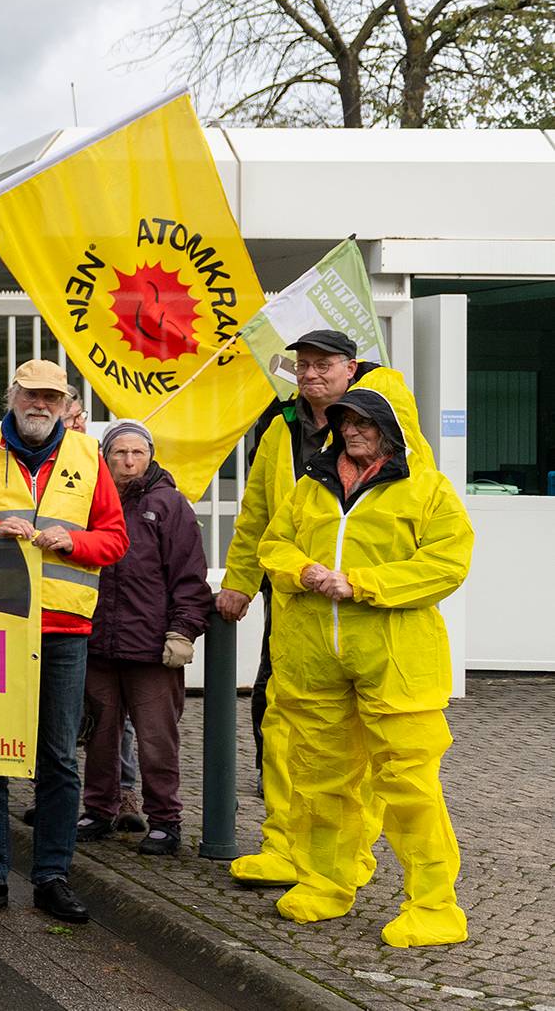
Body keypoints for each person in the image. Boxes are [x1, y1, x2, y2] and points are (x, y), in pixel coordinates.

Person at [256, 387, 470, 948]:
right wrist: (301, 570)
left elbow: (447, 563)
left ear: (390, 428)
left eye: (365, 423)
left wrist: (364, 584)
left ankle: (435, 904)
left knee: (408, 784)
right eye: (345, 422)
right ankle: (327, 881)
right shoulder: (311, 485)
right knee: (321, 780)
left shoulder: (426, 489)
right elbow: (272, 543)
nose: (352, 431)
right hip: (315, 661)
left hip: (397, 662)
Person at [0, 359, 127, 925]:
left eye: (52, 397)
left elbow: (115, 540)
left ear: (67, 405)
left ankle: (52, 877)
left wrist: (75, 542)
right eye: (31, 394)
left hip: (64, 628)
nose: (40, 404)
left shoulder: (90, 456)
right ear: (11, 396)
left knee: (59, 758)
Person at [219, 329, 415, 888]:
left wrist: (372, 583)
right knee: (284, 725)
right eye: (302, 364)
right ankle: (286, 844)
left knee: (369, 739)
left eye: (323, 364)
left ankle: (349, 852)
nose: (310, 374)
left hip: (369, 607)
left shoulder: (389, 418)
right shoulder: (280, 424)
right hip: (297, 602)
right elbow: (257, 509)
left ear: (351, 368)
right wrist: (239, 580)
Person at [79, 421, 209, 857]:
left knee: (157, 740)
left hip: (151, 648)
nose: (129, 461)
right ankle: (99, 810)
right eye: (119, 453)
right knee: (100, 737)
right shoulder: (90, 501)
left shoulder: (169, 504)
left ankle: (166, 821)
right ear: (105, 456)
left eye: (137, 453)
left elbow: (189, 575)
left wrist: (183, 631)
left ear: (151, 456)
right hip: (98, 644)